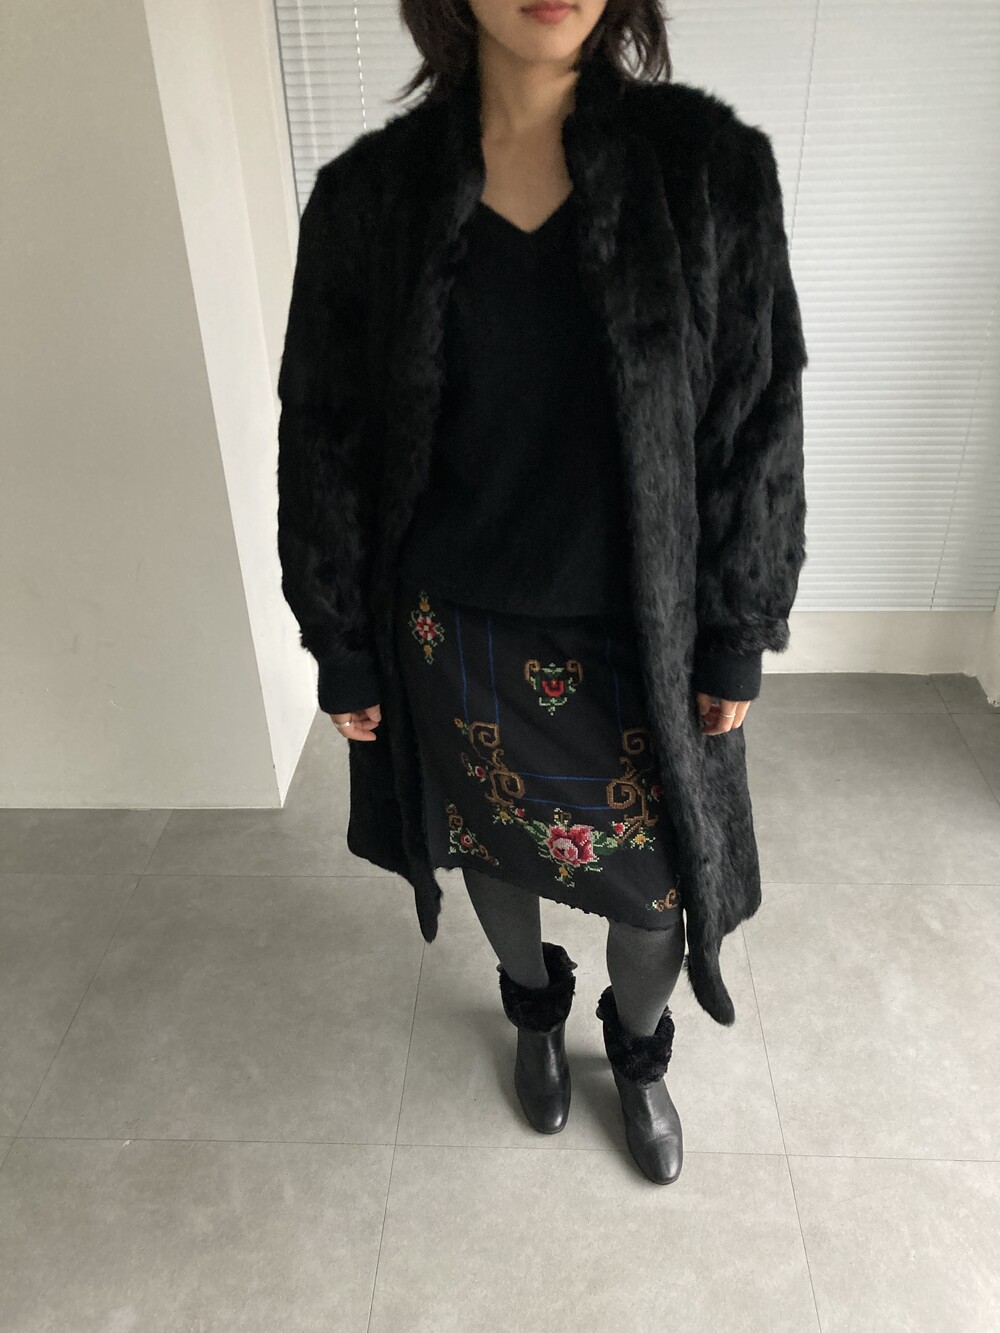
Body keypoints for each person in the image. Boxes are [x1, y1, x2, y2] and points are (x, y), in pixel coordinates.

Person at [276, 0, 807, 1186]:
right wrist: (340, 642)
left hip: (642, 634)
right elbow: (325, 436)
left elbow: (755, 411)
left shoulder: (708, 171)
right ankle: (530, 1010)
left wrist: (738, 625)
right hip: (452, 629)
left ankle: (637, 1051)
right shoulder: (371, 199)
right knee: (493, 853)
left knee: (657, 896)